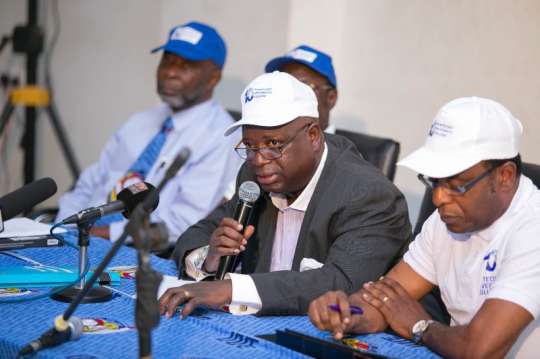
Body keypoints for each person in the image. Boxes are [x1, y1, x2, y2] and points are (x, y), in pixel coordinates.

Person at [158, 71, 412, 318]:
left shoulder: (369, 195)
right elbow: (196, 234)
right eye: (250, 146)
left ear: (313, 136)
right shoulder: (254, 175)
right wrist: (210, 257)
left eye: (273, 145)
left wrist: (230, 288)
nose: (258, 159)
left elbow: (342, 282)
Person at [308, 97, 540, 358]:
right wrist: (346, 311)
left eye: (456, 184)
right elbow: (382, 304)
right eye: (434, 181)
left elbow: (480, 350)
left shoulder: (533, 229)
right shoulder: (447, 220)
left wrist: (421, 327)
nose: (439, 198)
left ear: (505, 176)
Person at [56, 21, 241, 246]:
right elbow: (91, 182)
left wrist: (97, 234)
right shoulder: (140, 121)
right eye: (167, 61)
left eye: (186, 65)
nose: (170, 72)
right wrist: (63, 227)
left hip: (137, 251)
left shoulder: (220, 136)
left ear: (213, 77)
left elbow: (184, 223)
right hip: (77, 237)